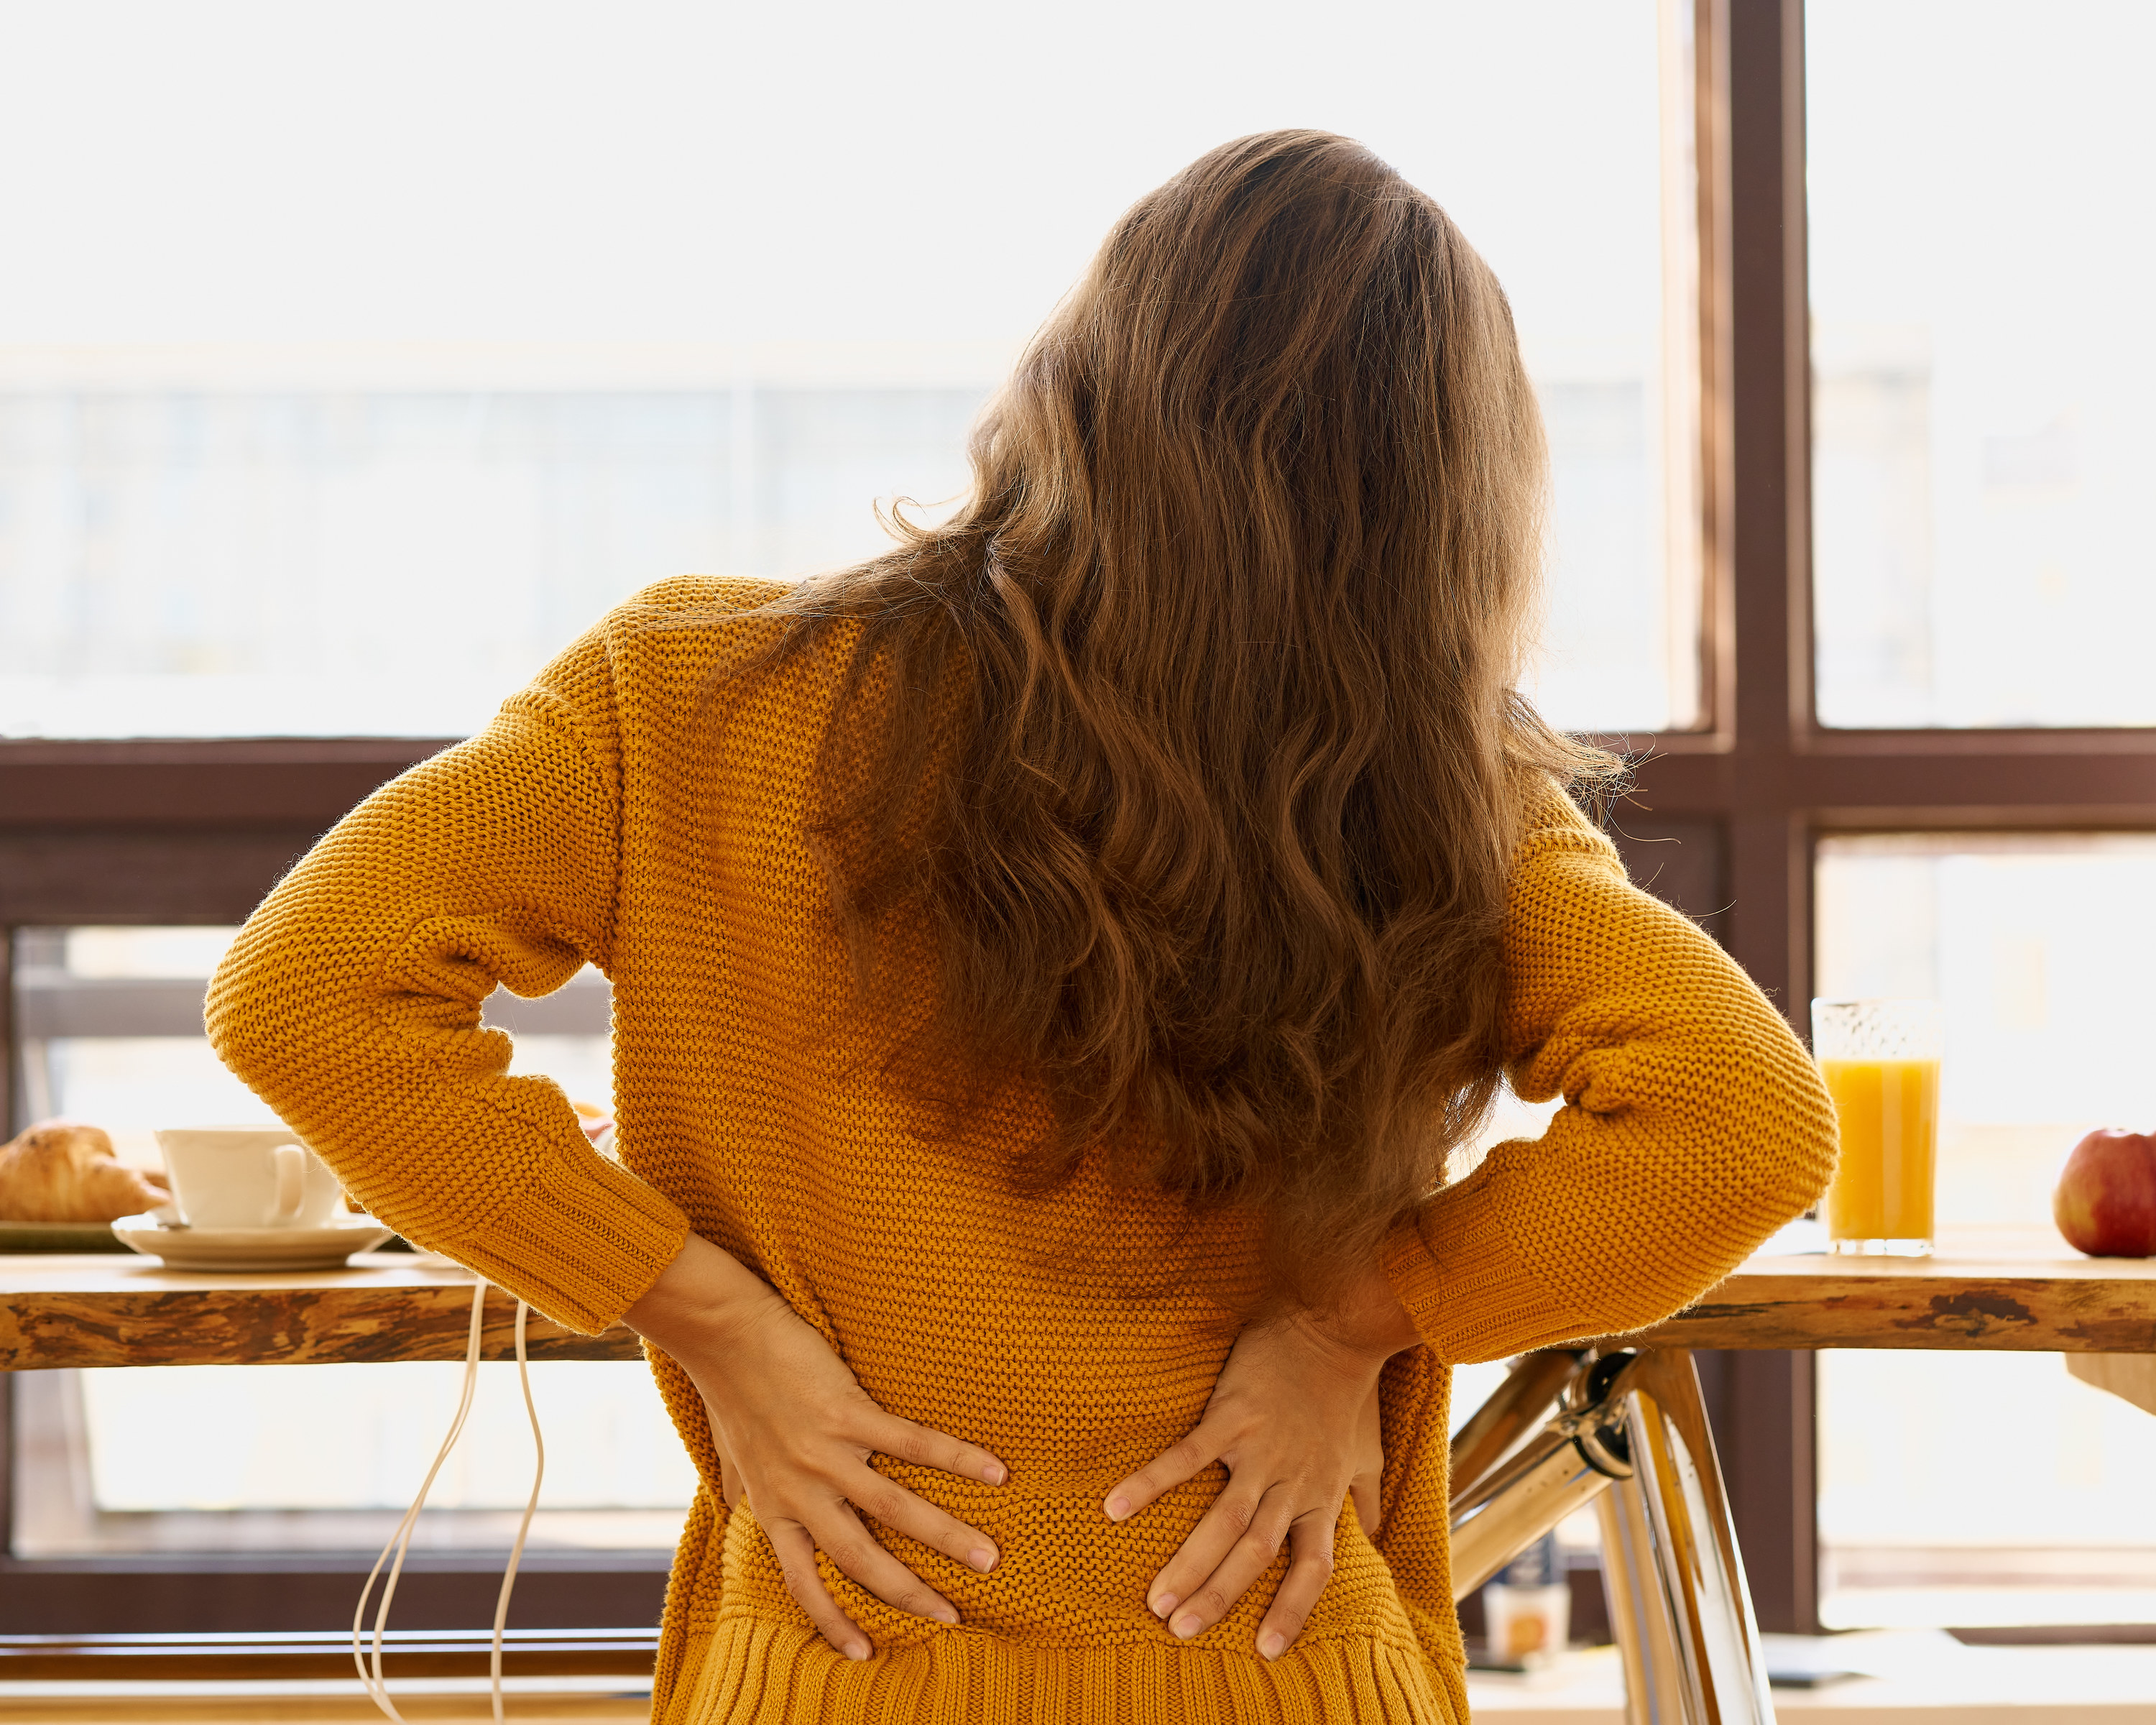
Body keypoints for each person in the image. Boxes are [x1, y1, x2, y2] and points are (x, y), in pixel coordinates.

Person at [208, 130, 1837, 1724]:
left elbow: (304, 999)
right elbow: (1743, 1127)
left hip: (842, 1661)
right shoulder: (1446, 795)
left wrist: (711, 1321)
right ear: (1443, 509)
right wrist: (1351, 1323)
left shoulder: (696, 695)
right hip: (1279, 1660)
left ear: (1085, 377)